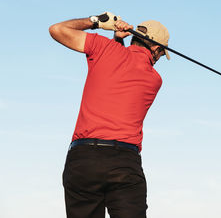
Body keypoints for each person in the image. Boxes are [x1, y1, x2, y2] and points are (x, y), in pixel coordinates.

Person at [49, 12, 170, 218]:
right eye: (161, 55)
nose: (159, 59)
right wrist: (116, 43)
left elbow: (57, 30)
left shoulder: (104, 48)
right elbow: (127, 68)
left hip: (83, 159)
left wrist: (97, 22)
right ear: (156, 49)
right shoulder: (154, 79)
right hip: (124, 163)